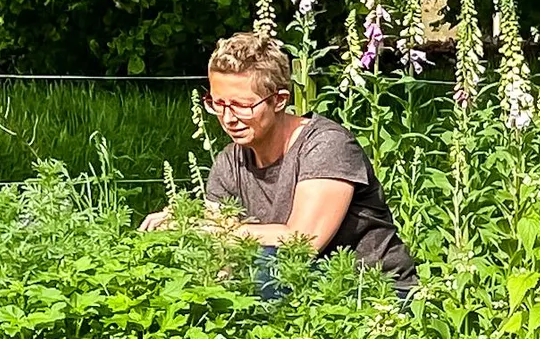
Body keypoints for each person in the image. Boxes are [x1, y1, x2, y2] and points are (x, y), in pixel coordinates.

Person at [142, 32, 418, 294]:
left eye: (242, 105)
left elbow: (303, 241)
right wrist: (181, 225)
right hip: (299, 289)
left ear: (279, 101)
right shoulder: (229, 161)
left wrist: (204, 227)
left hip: (376, 293)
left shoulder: (326, 146)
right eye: (218, 104)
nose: (227, 118)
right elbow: (217, 243)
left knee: (266, 269)